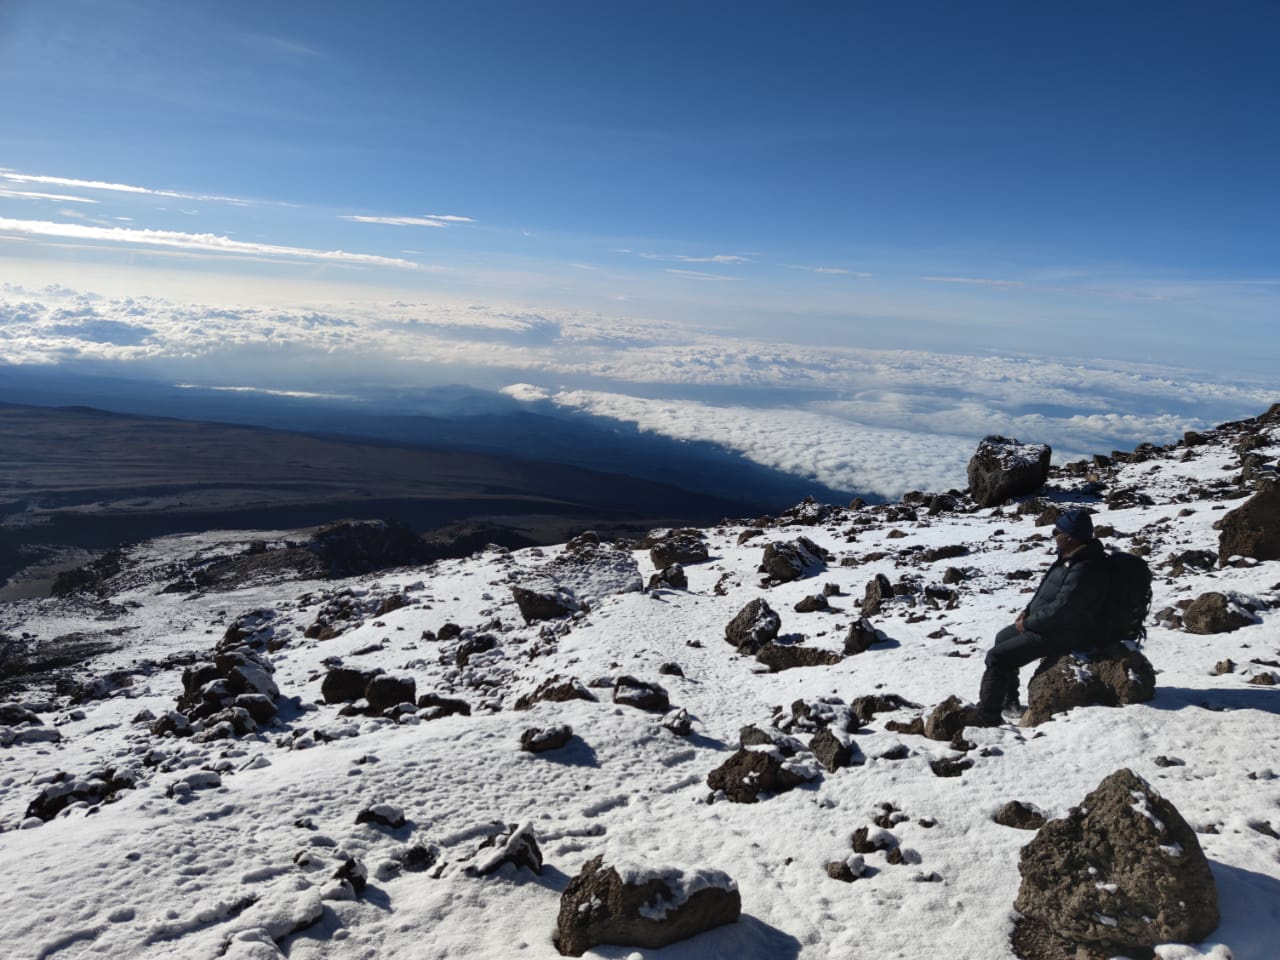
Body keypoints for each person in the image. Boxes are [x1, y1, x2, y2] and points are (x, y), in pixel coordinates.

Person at [972, 507, 1108, 726]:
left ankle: (987, 718)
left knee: (997, 657)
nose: (1054, 536)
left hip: (1064, 632)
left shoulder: (1085, 568)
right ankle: (1009, 702)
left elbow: (1062, 610)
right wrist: (1028, 610)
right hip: (1050, 624)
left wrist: (1027, 624)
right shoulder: (1070, 557)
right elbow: (1048, 593)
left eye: (1057, 532)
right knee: (1002, 638)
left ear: (1070, 537)